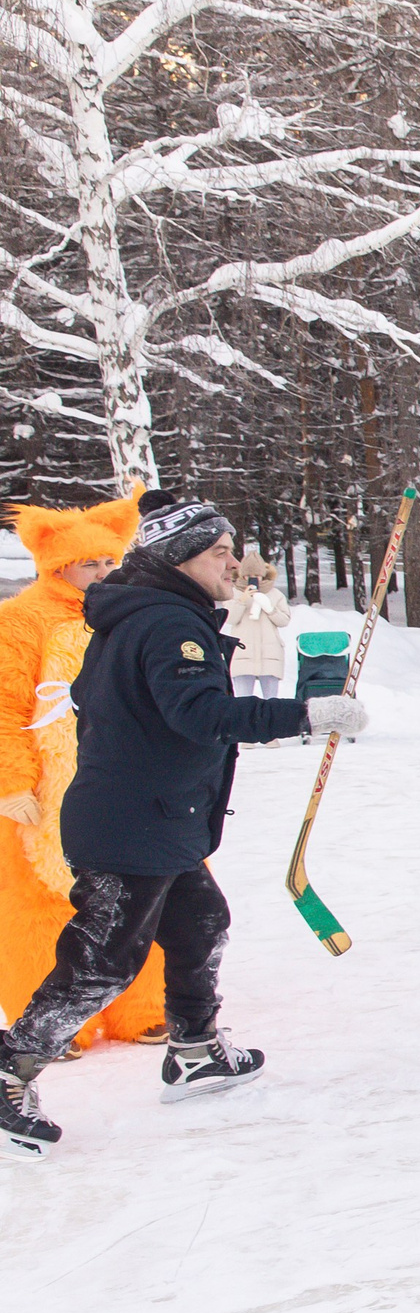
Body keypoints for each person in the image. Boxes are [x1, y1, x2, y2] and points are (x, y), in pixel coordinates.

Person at [0, 495, 367, 1161]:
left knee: (203, 923)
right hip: (132, 824)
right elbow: (201, 715)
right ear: (181, 557)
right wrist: (307, 715)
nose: (233, 562)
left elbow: (89, 696)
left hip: (155, 817)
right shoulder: (170, 623)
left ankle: (195, 1050)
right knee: (102, 964)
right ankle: (9, 1070)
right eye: (219, 551)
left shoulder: (138, 615)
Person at [0, 487, 167, 1057]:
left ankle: (141, 1008)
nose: (100, 572)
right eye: (86, 563)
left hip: (122, 778)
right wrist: (13, 783)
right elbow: (5, 704)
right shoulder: (21, 620)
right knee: (46, 902)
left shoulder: (127, 613)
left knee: (137, 893)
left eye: (106, 560)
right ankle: (48, 1020)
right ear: (57, 565)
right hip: (46, 788)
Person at [222, 545, 292, 698]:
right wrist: (242, 600)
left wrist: (269, 608)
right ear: (242, 575)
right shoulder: (233, 593)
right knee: (242, 700)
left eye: (257, 575)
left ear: (263, 574)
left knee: (271, 700)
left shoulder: (275, 594)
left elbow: (284, 620)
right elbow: (230, 618)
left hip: (270, 654)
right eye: (248, 575)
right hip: (243, 654)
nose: (253, 579)